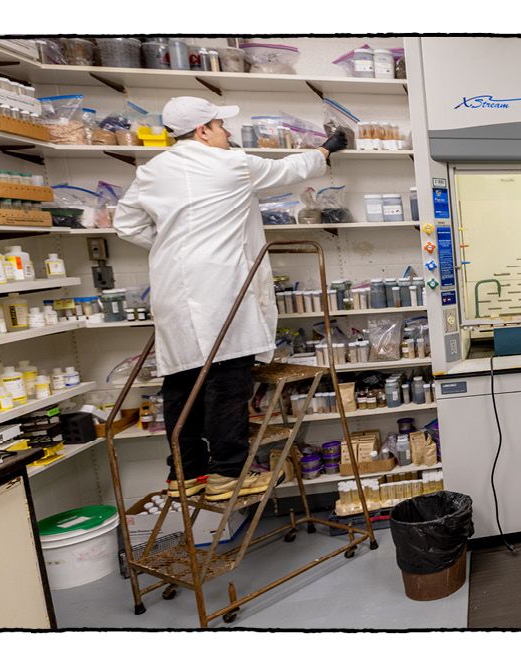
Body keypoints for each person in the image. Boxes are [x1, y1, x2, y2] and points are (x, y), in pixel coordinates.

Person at [114, 96, 350, 501]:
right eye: (221, 126)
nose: (226, 132)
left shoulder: (152, 171)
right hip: (220, 289)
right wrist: (327, 149)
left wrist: (175, 246)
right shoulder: (231, 164)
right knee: (226, 381)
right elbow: (287, 170)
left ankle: (185, 474)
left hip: (173, 289)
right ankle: (227, 474)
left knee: (181, 383)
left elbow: (126, 224)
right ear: (203, 130)